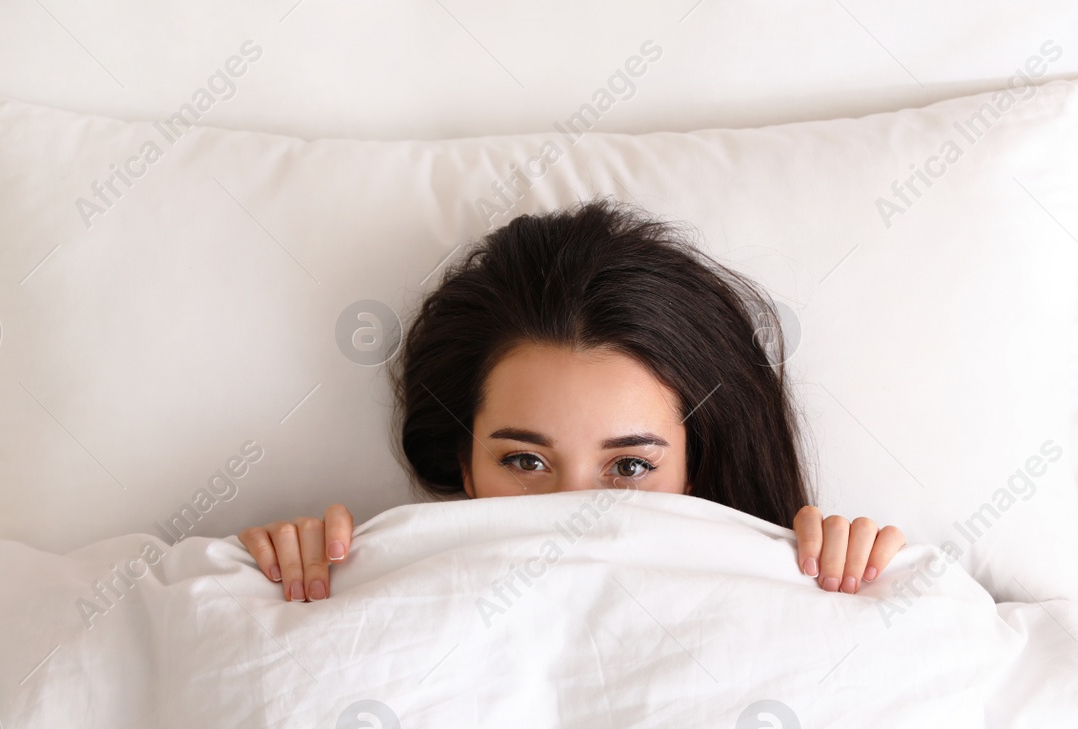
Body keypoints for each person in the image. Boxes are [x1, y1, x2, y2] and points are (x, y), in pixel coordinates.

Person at [240, 199, 903, 602]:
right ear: (466, 467)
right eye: (526, 461)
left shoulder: (785, 589)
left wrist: (850, 579)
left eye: (631, 466)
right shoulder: (383, 588)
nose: (573, 512)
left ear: (694, 470)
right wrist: (286, 577)